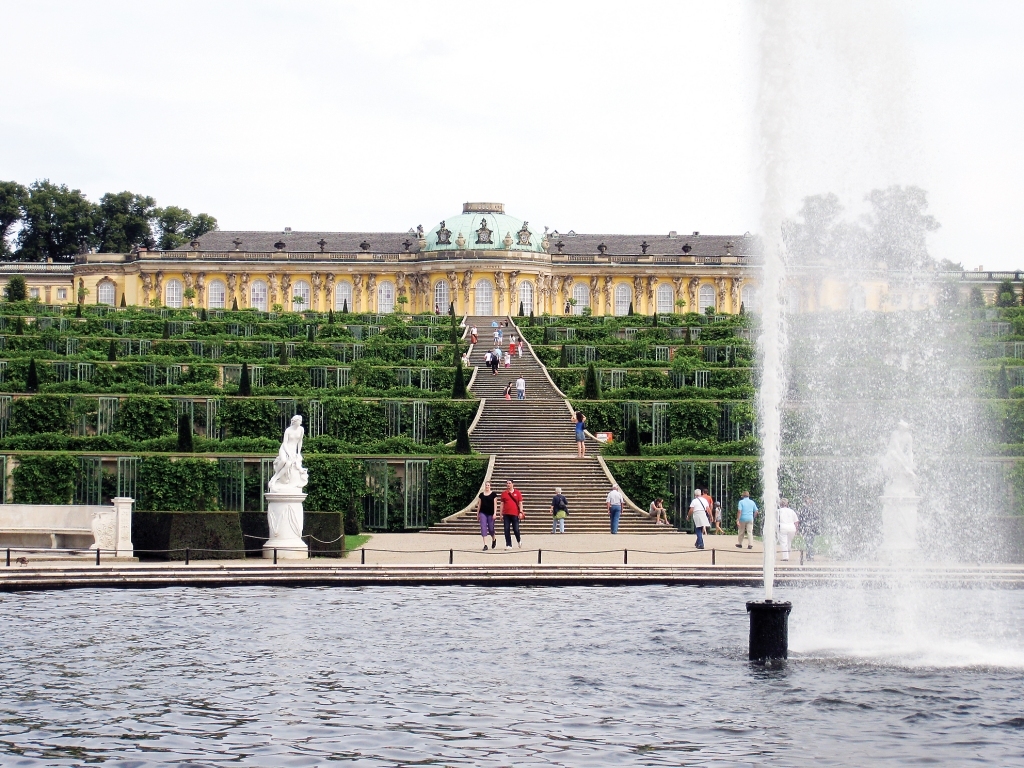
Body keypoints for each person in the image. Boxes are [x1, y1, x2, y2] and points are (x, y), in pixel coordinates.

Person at [499, 480, 524, 549]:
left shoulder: (517, 493)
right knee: (506, 529)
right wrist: (500, 514)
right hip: (506, 514)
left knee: (516, 529)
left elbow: (520, 503)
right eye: (507, 483)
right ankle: (509, 544)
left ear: (513, 484)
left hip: (515, 513)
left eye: (509, 483)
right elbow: (502, 504)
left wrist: (521, 512)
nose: (508, 485)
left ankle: (518, 540)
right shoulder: (504, 493)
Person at [476, 481, 498, 550]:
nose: (487, 486)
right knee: (483, 527)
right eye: (486, 485)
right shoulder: (481, 495)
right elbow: (479, 505)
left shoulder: (493, 494)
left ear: (490, 486)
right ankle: (485, 544)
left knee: (491, 528)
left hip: (491, 513)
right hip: (483, 512)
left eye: (488, 485)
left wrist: (495, 513)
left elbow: (495, 505)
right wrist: (477, 514)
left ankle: (493, 538)